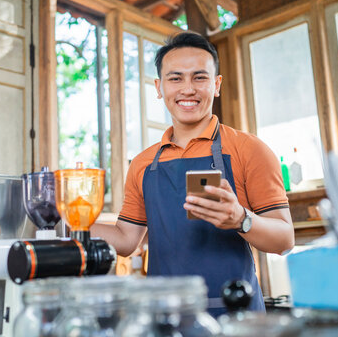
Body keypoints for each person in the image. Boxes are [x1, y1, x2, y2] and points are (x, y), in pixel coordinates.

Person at [92, 31, 294, 315]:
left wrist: (241, 219)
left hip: (237, 319)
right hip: (165, 319)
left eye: (199, 77)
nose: (187, 89)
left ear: (216, 84)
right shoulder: (142, 163)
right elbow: (126, 240)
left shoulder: (249, 149)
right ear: (159, 87)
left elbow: (285, 240)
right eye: (176, 78)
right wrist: (67, 222)